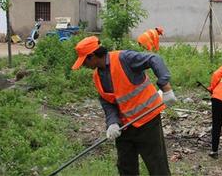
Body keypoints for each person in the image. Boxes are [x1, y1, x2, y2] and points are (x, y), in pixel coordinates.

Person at [72, 36, 176, 176]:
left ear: (92, 56)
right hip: (125, 127)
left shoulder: (124, 58)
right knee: (125, 167)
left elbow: (154, 59)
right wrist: (112, 123)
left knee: (157, 165)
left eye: (84, 61)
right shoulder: (97, 76)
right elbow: (107, 102)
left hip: (147, 121)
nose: (84, 65)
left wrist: (166, 88)